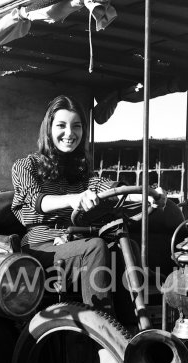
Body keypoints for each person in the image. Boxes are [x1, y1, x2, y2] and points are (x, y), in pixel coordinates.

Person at [11, 94, 165, 314]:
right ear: (48, 129)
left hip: (74, 243)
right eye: (61, 125)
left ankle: (134, 326)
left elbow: (109, 190)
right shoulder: (26, 166)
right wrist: (75, 199)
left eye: (77, 126)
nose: (69, 133)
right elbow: (38, 201)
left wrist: (147, 195)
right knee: (95, 246)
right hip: (40, 249)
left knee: (127, 246)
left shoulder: (82, 174)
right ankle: (102, 330)